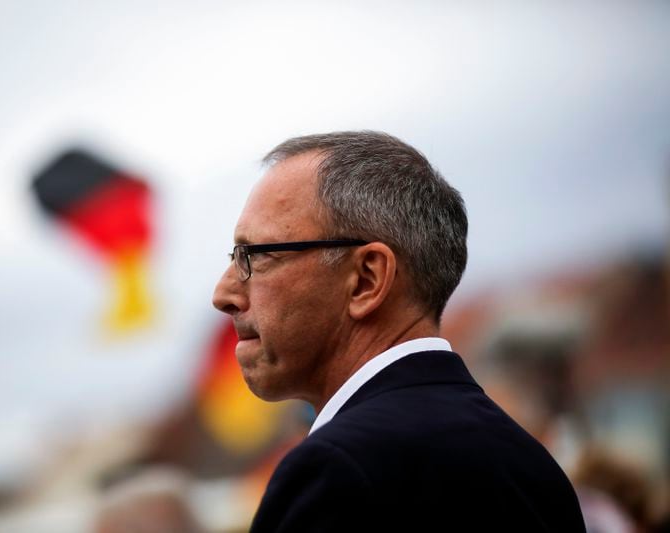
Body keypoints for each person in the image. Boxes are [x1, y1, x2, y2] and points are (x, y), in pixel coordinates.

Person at [212, 131, 585, 532]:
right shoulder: (534, 467)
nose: (224, 293)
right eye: (235, 257)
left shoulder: (335, 470)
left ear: (366, 280)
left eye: (256, 256)